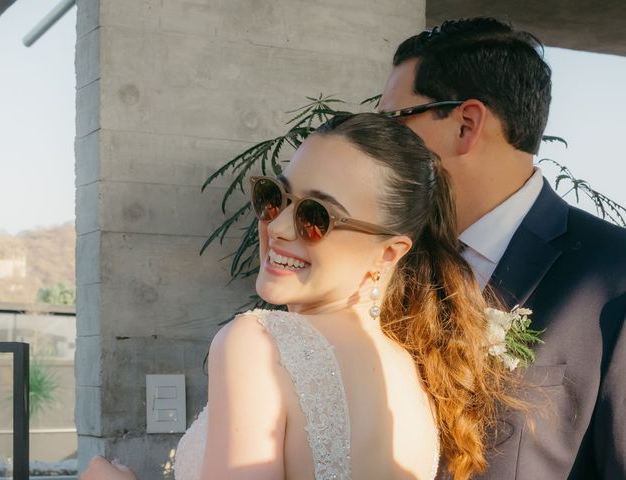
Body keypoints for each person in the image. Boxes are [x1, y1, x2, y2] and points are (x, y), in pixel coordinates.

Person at [82, 113, 531, 480]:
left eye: (316, 216)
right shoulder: (416, 370)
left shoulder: (257, 344)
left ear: (389, 251)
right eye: (275, 198)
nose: (276, 227)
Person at [378, 17, 626, 479]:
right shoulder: (385, 260)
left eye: (395, 119)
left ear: (466, 124)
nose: (382, 143)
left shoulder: (612, 276)